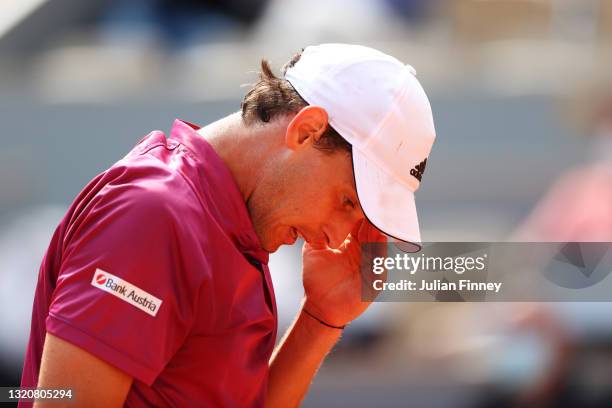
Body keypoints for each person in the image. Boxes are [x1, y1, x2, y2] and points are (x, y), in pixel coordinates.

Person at [20, 43, 436, 407]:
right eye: (347, 202)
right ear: (307, 131)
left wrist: (321, 319)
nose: (338, 236)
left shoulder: (231, 229)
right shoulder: (153, 215)